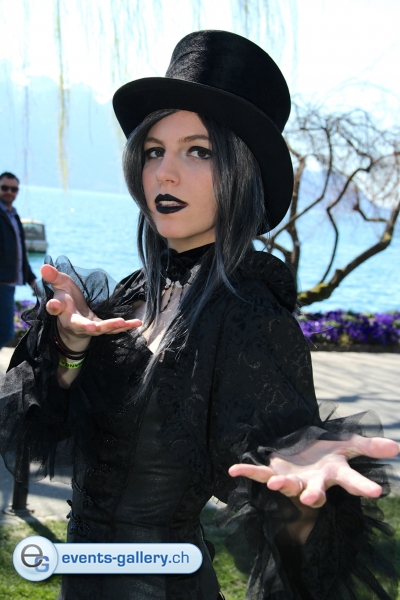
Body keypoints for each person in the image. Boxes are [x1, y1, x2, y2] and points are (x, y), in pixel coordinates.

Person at [0, 31, 398, 600]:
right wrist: (69, 346)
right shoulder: (136, 292)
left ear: (242, 171)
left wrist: (305, 498)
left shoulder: (248, 316)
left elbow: (281, 485)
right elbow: (40, 428)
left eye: (198, 151)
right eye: (154, 150)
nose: (164, 173)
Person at [0, 171, 36, 349]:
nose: (9, 192)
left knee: (5, 333)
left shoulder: (13, 215)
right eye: (4, 188)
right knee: (5, 333)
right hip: (2, 283)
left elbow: (19, 253)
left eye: (13, 189)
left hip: (9, 284)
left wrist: (32, 280)